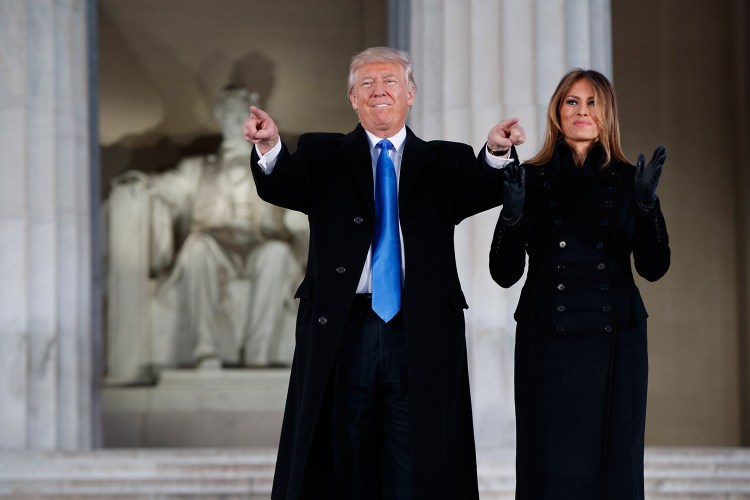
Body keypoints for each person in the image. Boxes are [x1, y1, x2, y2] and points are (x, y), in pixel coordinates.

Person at [243, 47, 525, 499]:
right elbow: (286, 184)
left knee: (414, 459)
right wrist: (270, 146)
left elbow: (481, 187)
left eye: (390, 81)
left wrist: (494, 152)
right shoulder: (322, 152)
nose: (379, 90)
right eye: (367, 83)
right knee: (345, 455)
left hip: (421, 328)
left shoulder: (445, 161)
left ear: (410, 93)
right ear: (352, 98)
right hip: (345, 327)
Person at [488, 68, 670, 499]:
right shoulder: (529, 178)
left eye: (591, 102)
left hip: (615, 343)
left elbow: (654, 266)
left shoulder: (631, 180)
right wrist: (511, 215)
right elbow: (504, 272)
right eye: (572, 101)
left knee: (614, 466)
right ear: (557, 111)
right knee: (546, 464)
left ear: (606, 113)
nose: (582, 111)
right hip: (546, 339)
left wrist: (646, 208)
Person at [109, 86, 306, 373]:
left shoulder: (276, 166)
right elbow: (166, 187)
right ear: (220, 120)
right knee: (197, 246)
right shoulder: (197, 168)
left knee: (277, 253)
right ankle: (205, 348)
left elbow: (300, 198)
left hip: (260, 243)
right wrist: (139, 184)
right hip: (215, 244)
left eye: (241, 115)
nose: (235, 121)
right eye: (228, 115)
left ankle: (258, 352)